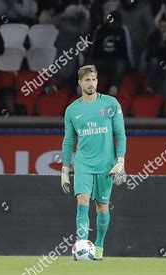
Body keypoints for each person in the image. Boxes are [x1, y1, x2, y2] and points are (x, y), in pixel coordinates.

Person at [61, 65, 127, 261]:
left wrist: (120, 161)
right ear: (80, 83)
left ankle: (98, 246)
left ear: (98, 81)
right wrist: (65, 169)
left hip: (106, 164)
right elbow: (68, 140)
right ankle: (82, 247)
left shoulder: (111, 103)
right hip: (83, 163)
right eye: (87, 80)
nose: (91, 83)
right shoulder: (72, 110)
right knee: (82, 202)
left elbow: (120, 134)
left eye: (94, 79)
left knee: (102, 208)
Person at [89, 11, 133, 95]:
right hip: (101, 60)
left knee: (121, 65)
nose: (112, 24)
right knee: (88, 64)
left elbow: (127, 49)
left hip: (116, 62)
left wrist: (131, 64)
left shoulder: (123, 30)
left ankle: (114, 86)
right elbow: (94, 48)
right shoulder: (100, 29)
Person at [118, 0, 154, 70]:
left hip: (139, 49)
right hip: (123, 49)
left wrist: (147, 44)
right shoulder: (119, 8)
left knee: (142, 68)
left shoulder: (144, 9)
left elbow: (152, 29)